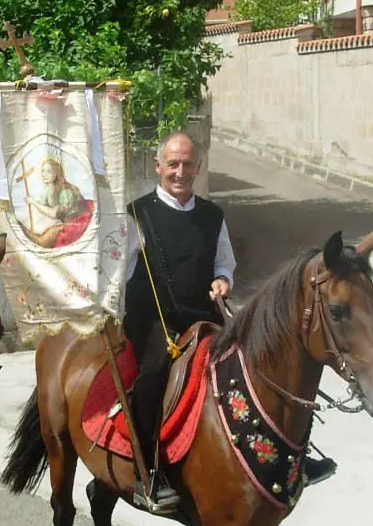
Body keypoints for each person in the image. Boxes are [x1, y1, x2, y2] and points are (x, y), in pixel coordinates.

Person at [122, 131, 336, 515]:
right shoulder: (137, 214)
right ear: (159, 166)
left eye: (188, 164)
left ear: (198, 167)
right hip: (153, 319)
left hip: (203, 315)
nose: (180, 171)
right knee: (153, 372)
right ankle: (148, 472)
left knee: (264, 363)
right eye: (173, 164)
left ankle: (297, 458)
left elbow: (224, 262)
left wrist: (223, 280)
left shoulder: (211, 216)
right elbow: (120, 271)